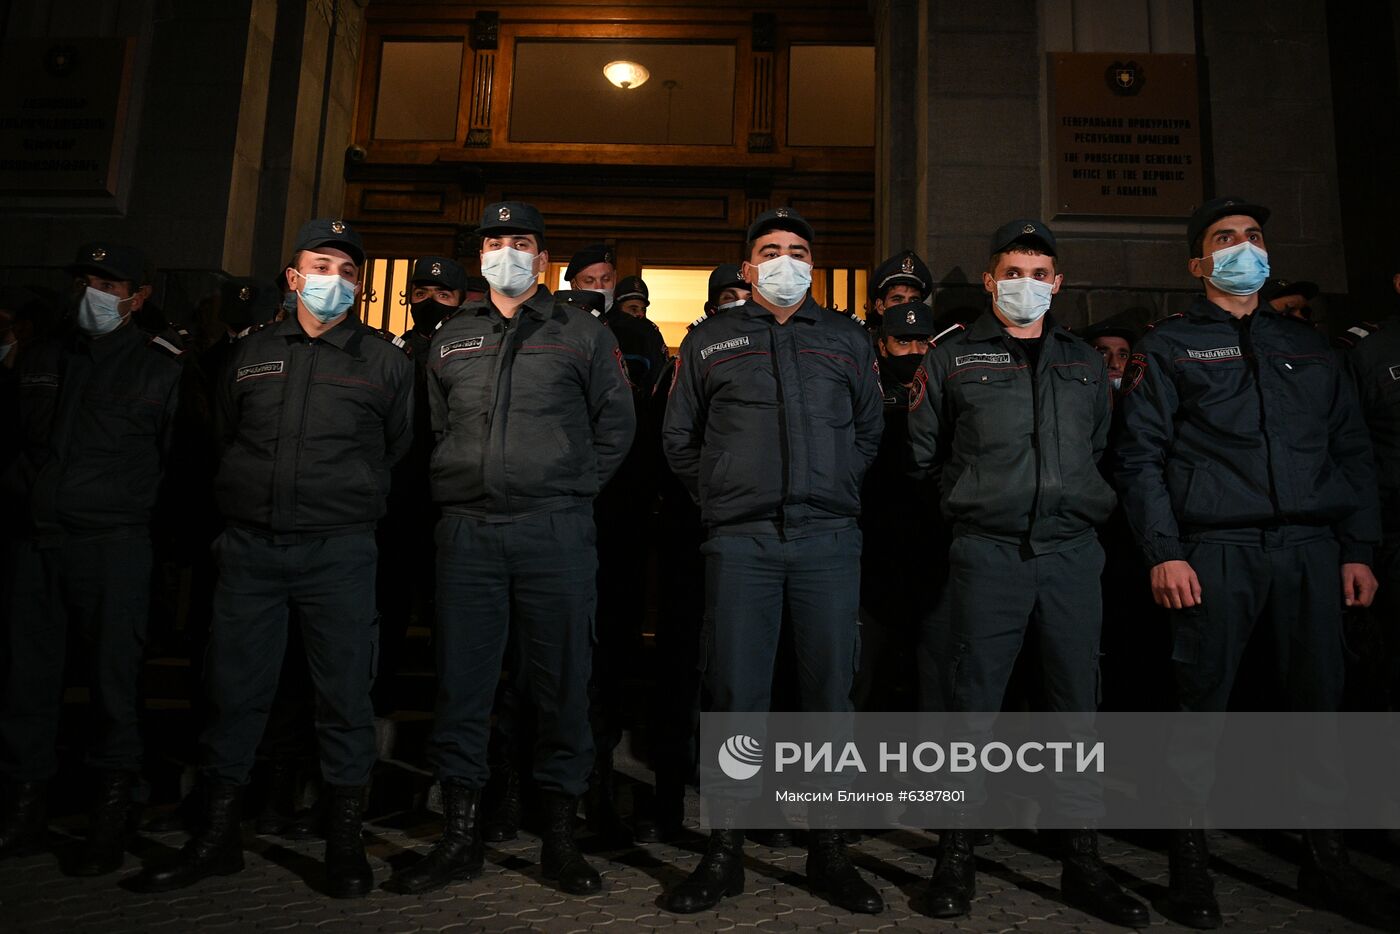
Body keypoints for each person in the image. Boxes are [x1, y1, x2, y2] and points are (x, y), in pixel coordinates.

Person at [1114, 196, 1391, 930]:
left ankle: (1326, 861)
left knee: (1320, 712)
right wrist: (1165, 553)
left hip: (1311, 549)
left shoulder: (1310, 346)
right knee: (1199, 712)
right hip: (1217, 550)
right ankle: (1192, 867)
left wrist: (1359, 549)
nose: (1245, 247)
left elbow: (1352, 451)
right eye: (1226, 238)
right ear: (1199, 263)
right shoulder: (1170, 346)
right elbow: (1139, 457)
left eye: (1255, 236)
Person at [129, 218, 414, 899]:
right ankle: (216, 838)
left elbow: (397, 452)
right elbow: (225, 439)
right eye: (321, 266)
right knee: (233, 694)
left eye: (348, 273)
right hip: (252, 550)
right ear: (292, 278)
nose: (333, 281)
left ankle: (344, 845)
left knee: (344, 698)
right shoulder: (251, 354)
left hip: (338, 551)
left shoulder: (384, 362)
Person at [384, 201, 635, 897]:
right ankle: (461, 837)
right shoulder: (452, 336)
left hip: (555, 531)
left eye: (521, 242)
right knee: (461, 686)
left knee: (560, 686)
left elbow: (616, 424)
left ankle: (559, 838)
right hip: (467, 533)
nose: (507, 252)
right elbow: (436, 426)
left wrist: (571, 487)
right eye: (496, 242)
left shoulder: (581, 332)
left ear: (543, 260)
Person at [907, 219, 1148, 927]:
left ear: (1058, 283)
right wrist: (971, 515)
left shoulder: (1079, 361)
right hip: (988, 554)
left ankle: (1082, 858)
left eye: (1039, 272)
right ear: (989, 280)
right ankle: (954, 856)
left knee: (1075, 709)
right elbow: (920, 460)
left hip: (1072, 556)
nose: (1026, 284)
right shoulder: (953, 359)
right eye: (1013, 271)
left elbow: (1100, 449)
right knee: (971, 709)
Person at [661, 207, 885, 915]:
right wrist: (725, 492)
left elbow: (870, 428)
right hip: (741, 543)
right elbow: (678, 437)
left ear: (811, 266)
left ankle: (828, 852)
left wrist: (838, 484)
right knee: (735, 699)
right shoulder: (709, 340)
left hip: (827, 540)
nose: (785, 260)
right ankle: (723, 852)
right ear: (749, 268)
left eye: (797, 250)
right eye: (770, 250)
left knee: (828, 700)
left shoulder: (848, 338)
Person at [0, 244, 188, 876]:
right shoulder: (43, 356)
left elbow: (179, 464)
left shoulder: (161, 368)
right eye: (85, 279)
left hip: (114, 546)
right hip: (37, 542)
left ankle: (113, 811)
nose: (93, 292)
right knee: (26, 684)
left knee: (114, 686)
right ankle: (25, 808)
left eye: (109, 284)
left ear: (138, 297)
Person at [854, 300, 948, 711]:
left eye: (922, 341)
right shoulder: (862, 395)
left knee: (931, 674)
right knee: (864, 673)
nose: (913, 350)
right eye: (902, 341)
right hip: (870, 550)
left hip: (935, 548)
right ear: (882, 344)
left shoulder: (949, 393)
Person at [866, 250, 933, 330]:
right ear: (880, 306)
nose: (906, 306)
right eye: (897, 300)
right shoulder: (864, 340)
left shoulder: (931, 339)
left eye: (914, 301)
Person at [565, 243, 618, 311]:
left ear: (615, 278)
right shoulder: (563, 320)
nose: (599, 287)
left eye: (606, 279)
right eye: (589, 281)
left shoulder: (630, 321)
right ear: (574, 285)